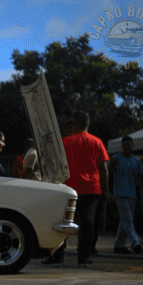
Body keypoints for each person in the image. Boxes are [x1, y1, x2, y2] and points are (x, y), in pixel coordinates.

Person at [42, 112, 109, 266]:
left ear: (74, 125)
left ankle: (58, 256)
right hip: (91, 188)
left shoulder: (64, 142)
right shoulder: (97, 141)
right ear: (88, 124)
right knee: (87, 223)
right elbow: (103, 168)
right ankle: (84, 257)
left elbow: (55, 166)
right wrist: (106, 189)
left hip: (68, 188)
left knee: (62, 223)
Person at [110, 135, 143, 254]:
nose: (127, 147)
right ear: (122, 146)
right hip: (120, 194)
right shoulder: (116, 158)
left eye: (129, 144)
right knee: (128, 220)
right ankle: (135, 242)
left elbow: (142, 176)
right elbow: (108, 170)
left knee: (125, 220)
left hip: (132, 194)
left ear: (132, 145)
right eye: (125, 145)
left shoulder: (136, 160)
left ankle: (119, 245)